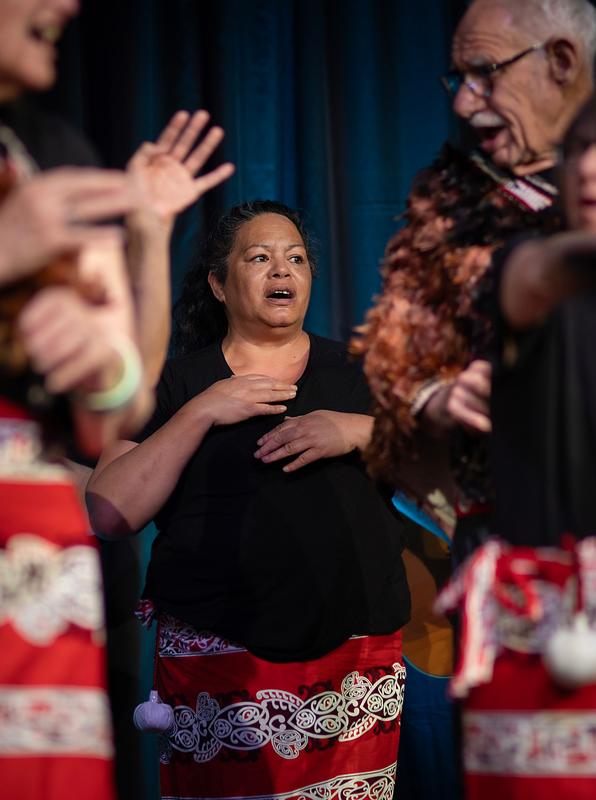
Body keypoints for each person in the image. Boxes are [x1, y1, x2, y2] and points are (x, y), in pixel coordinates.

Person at [351, 0, 596, 797]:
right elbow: (396, 367)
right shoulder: (455, 202)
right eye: (457, 77)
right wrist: (435, 398)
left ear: (562, 61)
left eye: (485, 73)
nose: (464, 100)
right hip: (515, 555)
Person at [87, 200, 410, 800]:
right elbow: (110, 511)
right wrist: (202, 411)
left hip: (351, 656)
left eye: (296, 258)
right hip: (216, 656)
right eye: (259, 258)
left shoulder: (365, 374)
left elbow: (447, 476)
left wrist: (358, 430)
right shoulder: (176, 383)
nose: (282, 270)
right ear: (218, 283)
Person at [0, 2, 234, 799]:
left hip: (35, 547)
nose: (66, 5)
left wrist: (147, 235)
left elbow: (117, 414)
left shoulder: (50, 153)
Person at [437, 91, 596, 800]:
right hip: (542, 624)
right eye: (578, 151)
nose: (589, 169)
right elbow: (536, 279)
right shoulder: (527, 265)